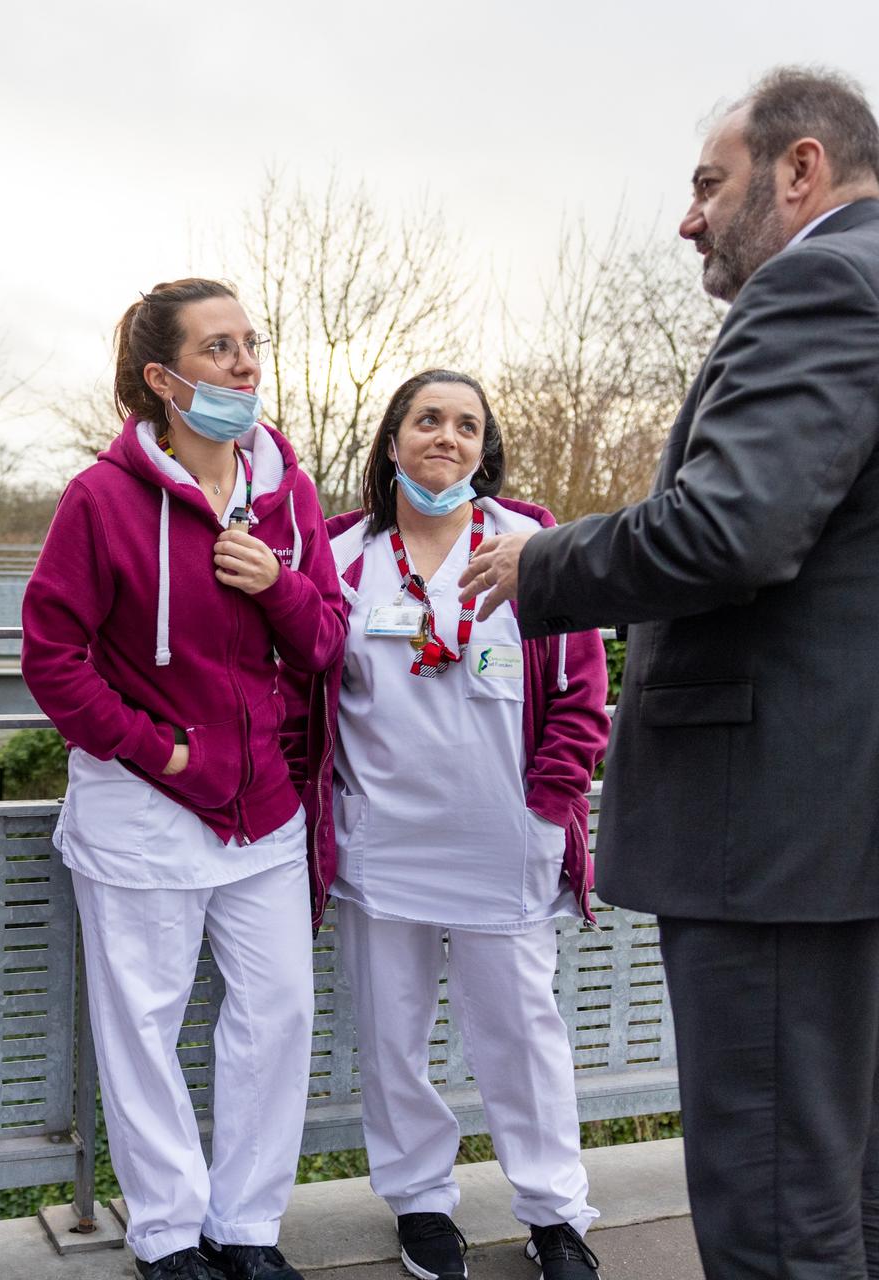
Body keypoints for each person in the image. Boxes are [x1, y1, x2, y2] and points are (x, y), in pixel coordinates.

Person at [460, 68, 879, 1279]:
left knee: (775, 1199)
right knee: (841, 1176)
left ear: (800, 171)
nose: (689, 219)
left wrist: (541, 563)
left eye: (707, 184)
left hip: (791, 826)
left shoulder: (823, 282)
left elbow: (729, 530)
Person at [21, 278, 346, 1280]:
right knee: (144, 1024)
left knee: (278, 1011)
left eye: (251, 342)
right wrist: (158, 750)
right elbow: (51, 655)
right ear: (163, 379)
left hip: (265, 811)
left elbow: (330, 636)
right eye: (218, 348)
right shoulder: (101, 499)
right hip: (145, 809)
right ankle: (166, 1229)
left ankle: (246, 1225)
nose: (245, 362)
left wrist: (278, 584)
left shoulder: (287, 491)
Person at [321, 370, 609, 1280]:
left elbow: (584, 696)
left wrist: (546, 807)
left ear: (486, 449)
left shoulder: (536, 550)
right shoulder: (339, 557)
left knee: (522, 1037)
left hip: (503, 843)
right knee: (392, 1036)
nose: (446, 436)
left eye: (466, 425)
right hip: (383, 843)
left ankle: (556, 1214)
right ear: (393, 440)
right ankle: (420, 1206)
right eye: (427, 420)